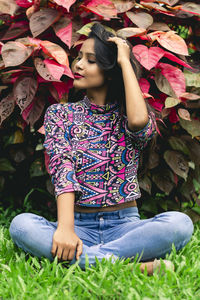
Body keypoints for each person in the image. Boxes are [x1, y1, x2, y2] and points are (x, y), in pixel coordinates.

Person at [9, 23, 193, 275]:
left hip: (126, 227)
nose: (78, 65)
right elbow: (63, 171)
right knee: (21, 225)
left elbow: (139, 123)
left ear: (110, 71)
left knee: (180, 224)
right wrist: (65, 228)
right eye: (79, 58)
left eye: (90, 60)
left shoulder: (129, 116)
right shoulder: (60, 114)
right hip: (77, 225)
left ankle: (86, 263)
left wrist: (125, 62)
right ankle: (129, 269)